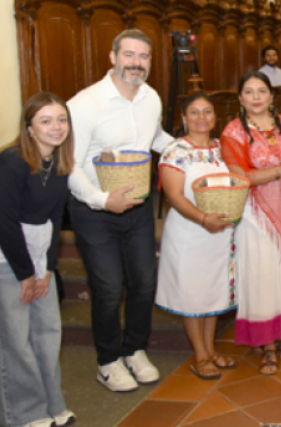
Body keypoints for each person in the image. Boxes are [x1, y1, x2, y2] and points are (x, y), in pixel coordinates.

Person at [68, 29, 171, 392]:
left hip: (137, 206)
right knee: (109, 288)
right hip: (95, 210)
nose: (136, 63)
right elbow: (70, 164)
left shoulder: (151, 97)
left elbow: (155, 138)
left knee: (144, 282)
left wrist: (186, 149)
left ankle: (135, 350)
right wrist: (102, 200)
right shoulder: (85, 104)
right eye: (129, 54)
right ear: (113, 57)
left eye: (143, 56)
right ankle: (108, 361)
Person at [221, 72, 281, 374]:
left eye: (262, 91)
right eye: (249, 91)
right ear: (240, 98)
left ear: (272, 96)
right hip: (256, 217)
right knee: (262, 278)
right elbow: (240, 177)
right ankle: (267, 344)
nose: (256, 97)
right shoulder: (234, 132)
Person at [0, 93, 76, 427]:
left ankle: (52, 405)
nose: (56, 127)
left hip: (38, 258)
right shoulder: (13, 161)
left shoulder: (59, 160)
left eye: (62, 119)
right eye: (46, 121)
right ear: (29, 127)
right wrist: (26, 273)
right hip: (8, 259)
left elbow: (55, 218)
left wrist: (47, 269)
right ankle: (25, 414)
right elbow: (4, 221)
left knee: (48, 332)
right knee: (15, 340)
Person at [156, 92, 238, 380]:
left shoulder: (222, 148)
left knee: (213, 291)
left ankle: (211, 349)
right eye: (194, 112)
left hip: (220, 234)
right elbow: (174, 195)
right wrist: (203, 219)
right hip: (190, 232)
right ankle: (200, 355)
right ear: (183, 118)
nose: (201, 117)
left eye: (207, 111)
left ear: (215, 117)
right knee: (193, 294)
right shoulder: (175, 150)